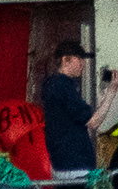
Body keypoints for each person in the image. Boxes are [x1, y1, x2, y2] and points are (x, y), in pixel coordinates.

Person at [37, 44, 99, 180]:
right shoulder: (63, 86)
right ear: (65, 60)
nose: (83, 63)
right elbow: (93, 122)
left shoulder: (53, 85)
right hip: (74, 166)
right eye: (79, 59)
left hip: (61, 164)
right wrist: (111, 94)